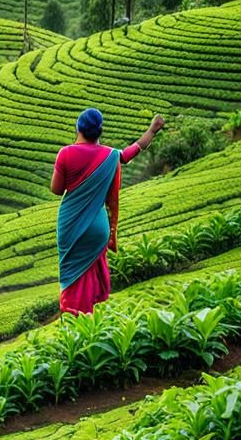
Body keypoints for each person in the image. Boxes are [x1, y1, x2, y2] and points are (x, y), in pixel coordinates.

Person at [51, 108, 164, 315]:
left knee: (72, 275)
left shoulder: (65, 154)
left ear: (78, 128)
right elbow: (132, 151)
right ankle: (90, 319)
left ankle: (72, 318)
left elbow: (57, 189)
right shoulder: (110, 155)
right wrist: (153, 129)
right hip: (99, 228)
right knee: (90, 277)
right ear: (99, 132)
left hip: (71, 225)